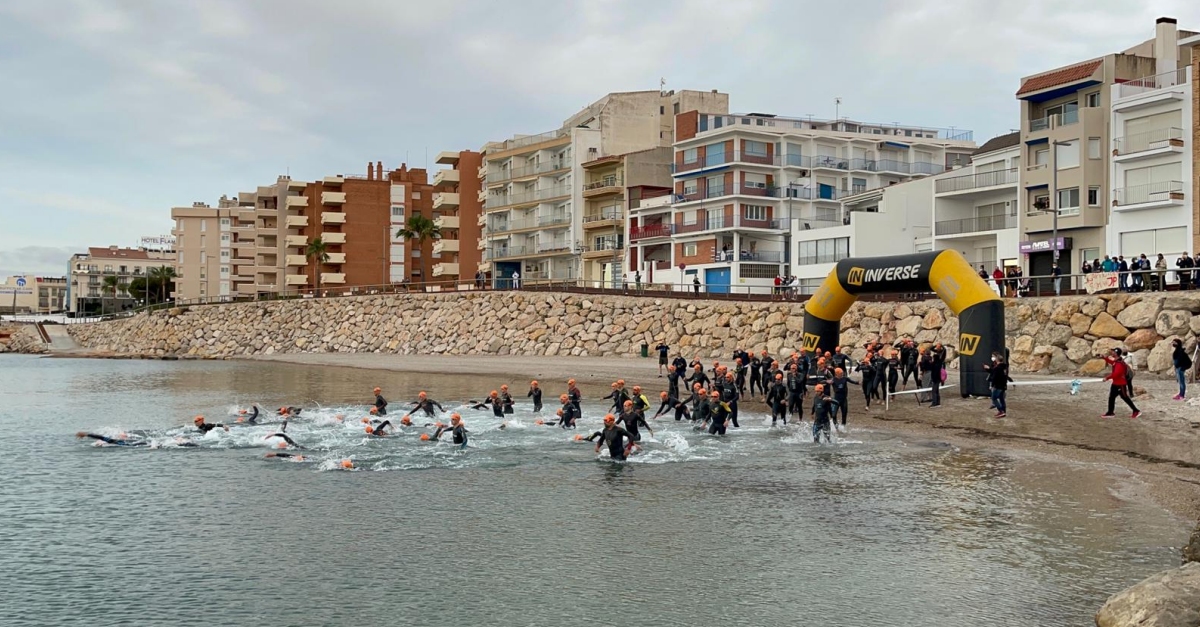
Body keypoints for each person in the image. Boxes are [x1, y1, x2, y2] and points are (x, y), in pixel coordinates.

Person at [1102, 349, 1141, 419]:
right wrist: (1105, 358)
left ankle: (1136, 411)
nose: (1112, 352)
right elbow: (1112, 363)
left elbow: (1116, 374)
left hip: (1120, 384)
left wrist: (1107, 378)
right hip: (1115, 383)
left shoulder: (1119, 363)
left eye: (1113, 352)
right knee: (1111, 397)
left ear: (1116, 353)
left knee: (1125, 397)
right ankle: (1110, 412)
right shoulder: (1117, 361)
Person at [982, 352, 1012, 418]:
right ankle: (1003, 412)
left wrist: (992, 385)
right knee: (1001, 399)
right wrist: (988, 369)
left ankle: (1001, 411)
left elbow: (995, 376)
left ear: (996, 359)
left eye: (993, 357)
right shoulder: (1004, 367)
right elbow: (995, 372)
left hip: (998, 386)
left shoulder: (997, 368)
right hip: (1003, 385)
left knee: (994, 398)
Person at [76, 432, 147, 447]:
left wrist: (86, 434)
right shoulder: (112, 441)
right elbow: (100, 437)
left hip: (128, 445)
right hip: (127, 444)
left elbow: (100, 437)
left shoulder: (111, 441)